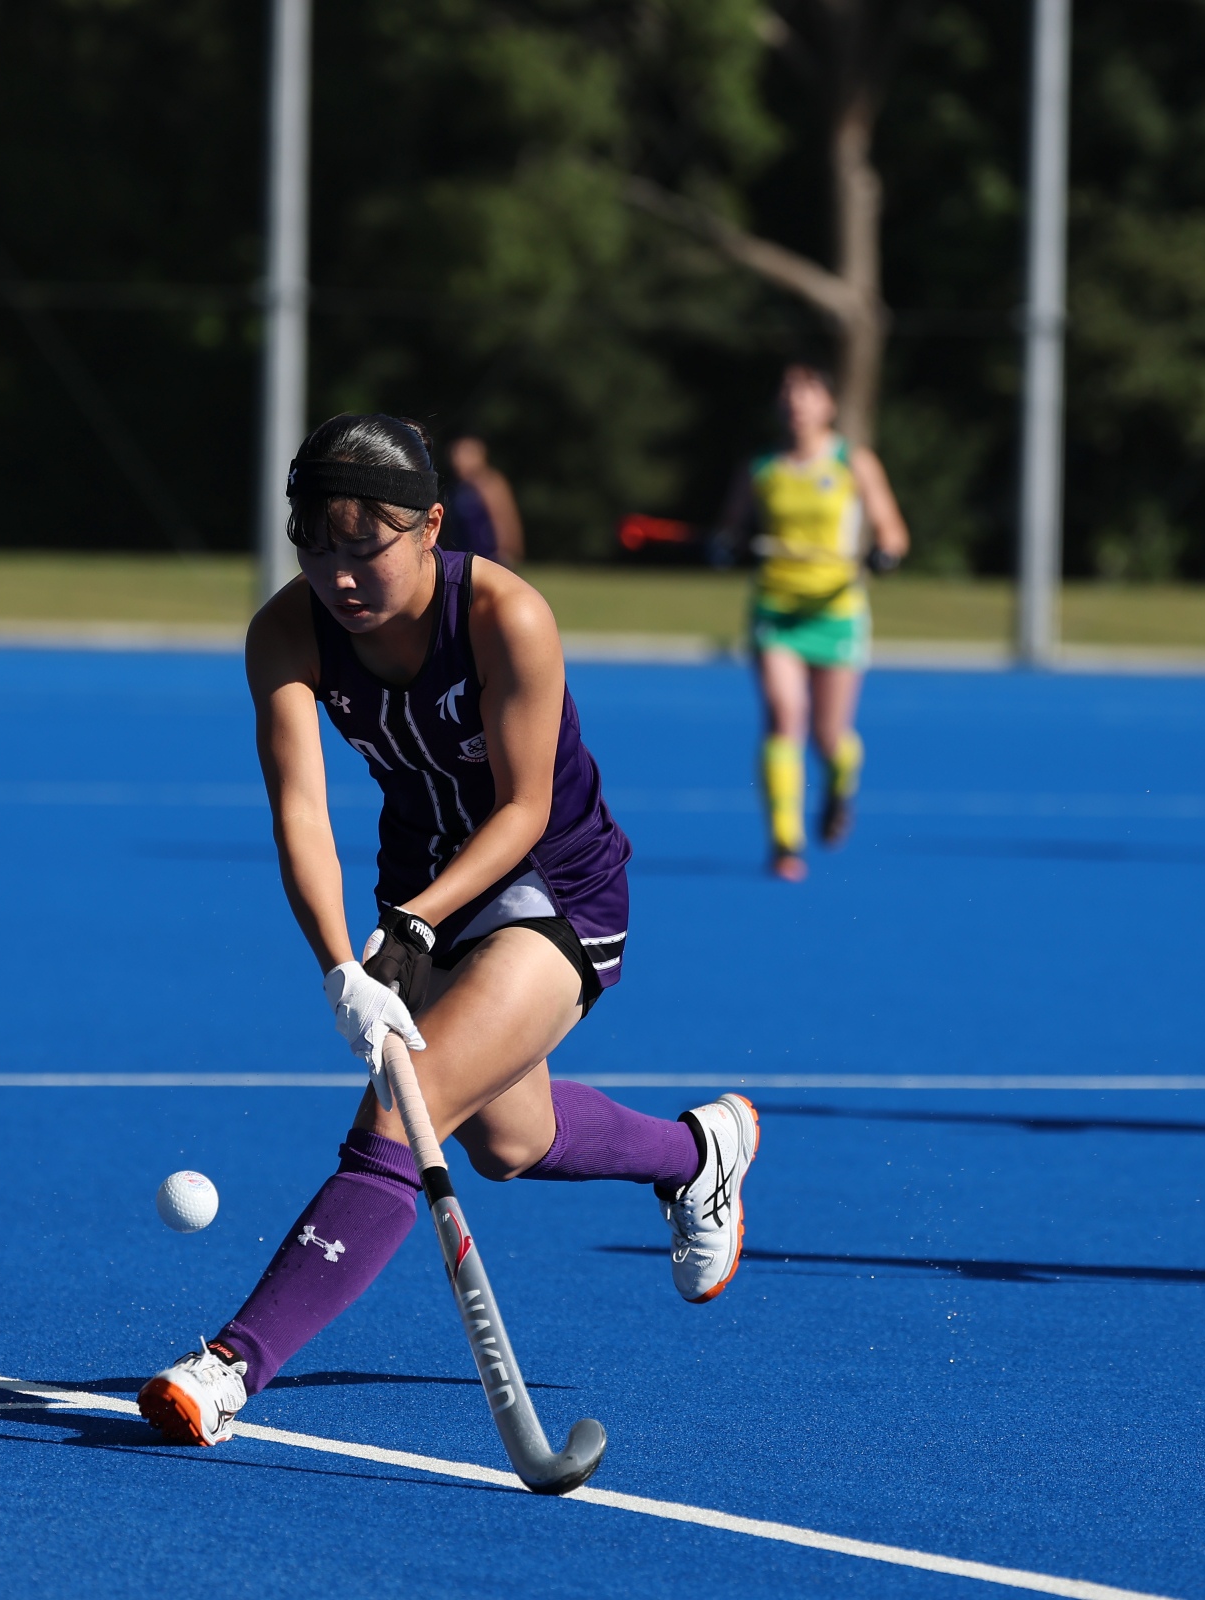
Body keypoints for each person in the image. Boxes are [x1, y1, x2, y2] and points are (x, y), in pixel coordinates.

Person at [136, 414, 759, 1448]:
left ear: (430, 526)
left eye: (364, 546)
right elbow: (302, 816)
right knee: (510, 1143)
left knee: (405, 1106)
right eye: (314, 547)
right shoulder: (287, 633)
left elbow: (522, 808)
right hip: (421, 887)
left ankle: (230, 1366)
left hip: (551, 884)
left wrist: (414, 926)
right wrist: (340, 964)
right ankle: (697, 1153)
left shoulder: (507, 615)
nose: (338, 576)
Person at [715, 365, 910, 881]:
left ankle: (840, 784)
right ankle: (785, 842)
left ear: (829, 405)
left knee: (829, 737)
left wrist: (885, 554)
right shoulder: (762, 468)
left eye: (808, 392)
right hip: (776, 611)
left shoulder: (853, 462)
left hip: (836, 611)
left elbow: (893, 531)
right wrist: (726, 547)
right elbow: (730, 529)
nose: (796, 402)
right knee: (784, 715)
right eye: (788, 393)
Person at [441, 435, 524, 566]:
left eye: (464, 455)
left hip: (489, 557)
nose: (457, 460)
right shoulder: (457, 488)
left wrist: (508, 552)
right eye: (455, 455)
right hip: (464, 555)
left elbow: (505, 520)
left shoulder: (491, 484)